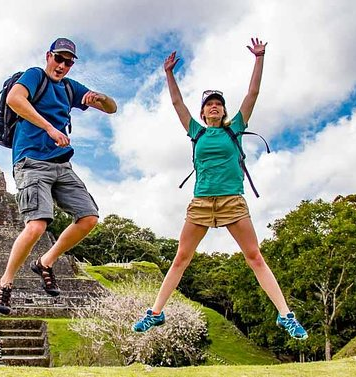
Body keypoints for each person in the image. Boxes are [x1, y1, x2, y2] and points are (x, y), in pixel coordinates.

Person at [132, 38, 308, 340]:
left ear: (224, 111)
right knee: (181, 258)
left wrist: (259, 58)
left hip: (232, 201)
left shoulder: (234, 128)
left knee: (254, 257)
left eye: (218, 104)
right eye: (209, 105)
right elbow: (177, 104)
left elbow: (253, 93)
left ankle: (285, 315)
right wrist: (169, 74)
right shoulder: (196, 132)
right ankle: (155, 313)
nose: (214, 107)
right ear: (203, 114)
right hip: (201, 202)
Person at [0, 38, 118, 314]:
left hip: (61, 164)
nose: (62, 65)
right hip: (31, 161)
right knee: (37, 225)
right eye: (58, 59)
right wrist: (50, 128)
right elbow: (15, 99)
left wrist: (99, 98)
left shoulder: (71, 88)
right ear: (48, 56)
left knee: (89, 218)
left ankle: (45, 262)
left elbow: (112, 108)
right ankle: (5, 283)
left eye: (68, 62)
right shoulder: (35, 75)